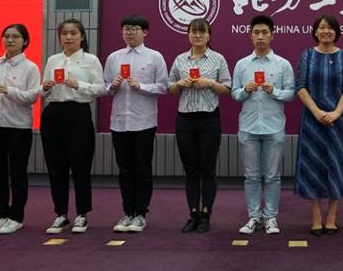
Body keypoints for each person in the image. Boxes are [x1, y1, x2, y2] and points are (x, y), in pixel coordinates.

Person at [103, 15, 169, 233]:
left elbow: (163, 87)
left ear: (145, 32)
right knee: (124, 170)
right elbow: (105, 88)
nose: (129, 33)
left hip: (144, 121)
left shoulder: (154, 57)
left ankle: (140, 213)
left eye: (134, 29)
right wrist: (112, 86)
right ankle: (127, 212)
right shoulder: (114, 57)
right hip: (119, 122)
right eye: (126, 29)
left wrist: (141, 86)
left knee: (142, 169)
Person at [40, 18, 106, 234]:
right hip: (53, 114)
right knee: (56, 167)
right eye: (64, 33)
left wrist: (79, 84)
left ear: (82, 36)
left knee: (80, 166)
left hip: (78, 113)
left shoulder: (91, 60)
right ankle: (60, 214)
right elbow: (43, 92)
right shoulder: (53, 60)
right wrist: (45, 87)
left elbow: (101, 89)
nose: (68, 37)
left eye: (73, 33)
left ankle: (82, 214)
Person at [231, 15, 295, 235]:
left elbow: (291, 93)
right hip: (248, 127)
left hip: (273, 127)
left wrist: (274, 91)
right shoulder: (242, 64)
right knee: (251, 176)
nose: (260, 37)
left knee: (273, 176)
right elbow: (234, 94)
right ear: (250, 35)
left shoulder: (282, 64)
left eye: (264, 32)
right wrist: (245, 90)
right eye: (256, 33)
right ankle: (254, 217)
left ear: (272, 35)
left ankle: (270, 218)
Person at [293, 14, 343, 236]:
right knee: (314, 165)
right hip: (313, 120)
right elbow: (300, 86)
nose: (325, 31)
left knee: (336, 164)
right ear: (315, 31)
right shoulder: (307, 55)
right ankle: (316, 217)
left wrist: (337, 112)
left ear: (336, 32)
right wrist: (316, 111)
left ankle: (332, 217)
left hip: (339, 121)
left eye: (330, 28)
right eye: (321, 27)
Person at [0, 23, 41, 234]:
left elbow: (32, 96)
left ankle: (16, 217)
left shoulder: (30, 67)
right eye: (6, 36)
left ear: (25, 41)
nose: (9, 40)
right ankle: (2, 213)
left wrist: (9, 91)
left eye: (15, 36)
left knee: (17, 173)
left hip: (18, 127)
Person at [169, 18, 232, 233]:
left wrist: (210, 83)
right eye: (193, 32)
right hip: (185, 120)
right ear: (188, 35)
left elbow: (228, 88)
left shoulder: (218, 59)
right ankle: (193, 214)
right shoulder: (180, 60)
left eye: (202, 32)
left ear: (208, 35)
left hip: (209, 119)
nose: (197, 35)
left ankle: (206, 214)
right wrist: (180, 83)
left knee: (208, 169)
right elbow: (170, 88)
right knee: (190, 170)